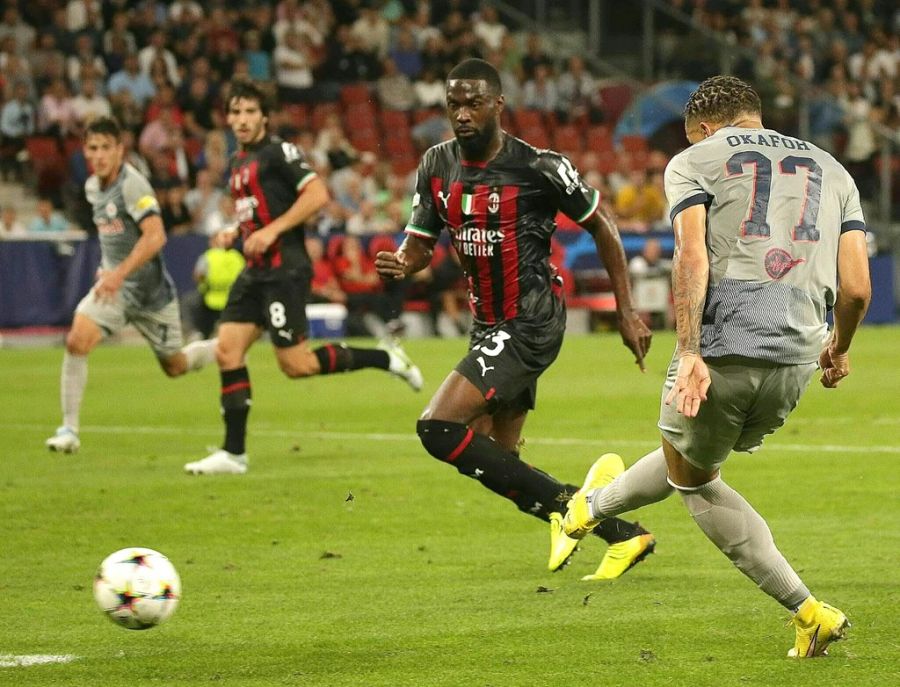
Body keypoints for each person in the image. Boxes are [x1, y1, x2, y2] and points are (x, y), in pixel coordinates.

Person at [559, 76, 871, 656]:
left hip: (725, 347)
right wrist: (841, 346)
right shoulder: (834, 168)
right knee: (690, 457)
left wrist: (688, 350)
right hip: (798, 357)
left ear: (704, 128)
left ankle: (807, 610)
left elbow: (692, 255)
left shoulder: (694, 159)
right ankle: (585, 510)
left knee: (694, 481)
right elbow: (855, 289)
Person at [375, 59, 655, 580]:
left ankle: (569, 510)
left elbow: (604, 226)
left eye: (473, 102)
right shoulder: (436, 165)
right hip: (488, 323)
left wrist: (627, 311)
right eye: (454, 103)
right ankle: (619, 531)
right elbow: (419, 242)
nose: (462, 113)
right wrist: (401, 262)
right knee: (497, 458)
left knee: (437, 427)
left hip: (530, 319)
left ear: (498, 105)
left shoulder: (539, 167)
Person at [184, 79, 423, 476]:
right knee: (228, 351)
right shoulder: (238, 163)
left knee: (296, 365)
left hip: (284, 269)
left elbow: (316, 195)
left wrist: (271, 231)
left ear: (264, 116)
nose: (241, 120)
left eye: (249, 112)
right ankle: (234, 453)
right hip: (255, 271)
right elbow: (256, 219)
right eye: (235, 112)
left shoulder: (279, 151)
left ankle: (385, 357)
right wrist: (235, 233)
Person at [45, 116, 218, 454]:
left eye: (105, 148)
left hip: (151, 294)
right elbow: (114, 237)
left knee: (175, 366)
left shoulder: (132, 185)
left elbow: (156, 236)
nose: (98, 155)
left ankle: (220, 347)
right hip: (114, 290)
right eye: (92, 148)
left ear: (120, 150)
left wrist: (119, 272)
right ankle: (69, 430)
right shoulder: (93, 187)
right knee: (77, 340)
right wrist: (108, 271)